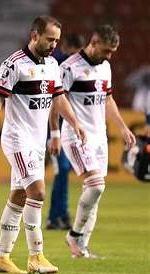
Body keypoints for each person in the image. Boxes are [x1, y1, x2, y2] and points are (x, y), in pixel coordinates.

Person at [0, 15, 86, 273]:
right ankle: (36, 256)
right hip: (17, 138)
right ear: (35, 35)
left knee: (17, 198)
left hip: (37, 141)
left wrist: (75, 123)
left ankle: (1, 258)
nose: (54, 45)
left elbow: (58, 98)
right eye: (50, 39)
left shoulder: (52, 65)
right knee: (37, 193)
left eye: (57, 41)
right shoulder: (13, 64)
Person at [60, 25, 136, 258]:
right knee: (96, 186)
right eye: (106, 51)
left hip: (99, 135)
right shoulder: (69, 67)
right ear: (93, 43)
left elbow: (108, 99)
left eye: (112, 52)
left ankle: (81, 248)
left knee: (95, 192)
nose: (109, 56)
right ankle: (73, 236)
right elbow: (57, 100)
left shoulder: (105, 67)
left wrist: (122, 127)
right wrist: (68, 127)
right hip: (77, 135)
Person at [46, 33, 86, 230]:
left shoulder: (70, 66)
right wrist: (54, 135)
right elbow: (55, 101)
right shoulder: (58, 65)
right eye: (74, 53)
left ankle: (61, 215)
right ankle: (55, 216)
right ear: (66, 49)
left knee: (63, 171)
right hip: (53, 132)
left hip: (65, 130)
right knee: (60, 170)